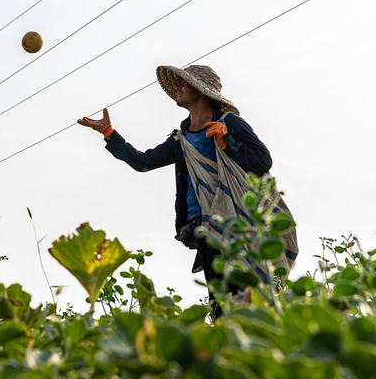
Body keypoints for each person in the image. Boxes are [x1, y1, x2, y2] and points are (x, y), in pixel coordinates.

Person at [78, 65, 297, 310]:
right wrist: (108, 132)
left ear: (201, 91)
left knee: (249, 298)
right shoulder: (180, 138)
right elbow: (143, 162)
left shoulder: (229, 123)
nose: (177, 87)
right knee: (220, 305)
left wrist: (227, 143)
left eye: (184, 83)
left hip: (236, 222)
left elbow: (262, 160)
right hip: (203, 226)